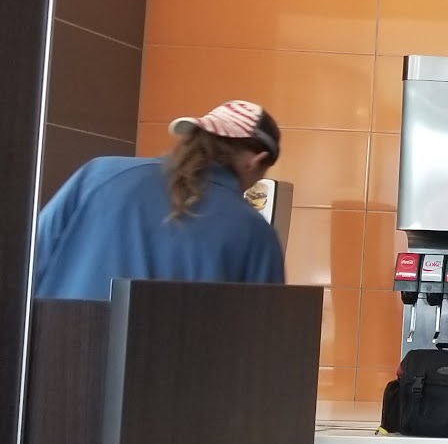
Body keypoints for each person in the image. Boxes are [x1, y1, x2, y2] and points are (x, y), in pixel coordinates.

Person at [33, 100, 287, 300]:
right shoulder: (254, 232)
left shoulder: (99, 175)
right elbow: (263, 332)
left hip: (60, 345)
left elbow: (29, 261)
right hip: (174, 353)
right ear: (254, 161)